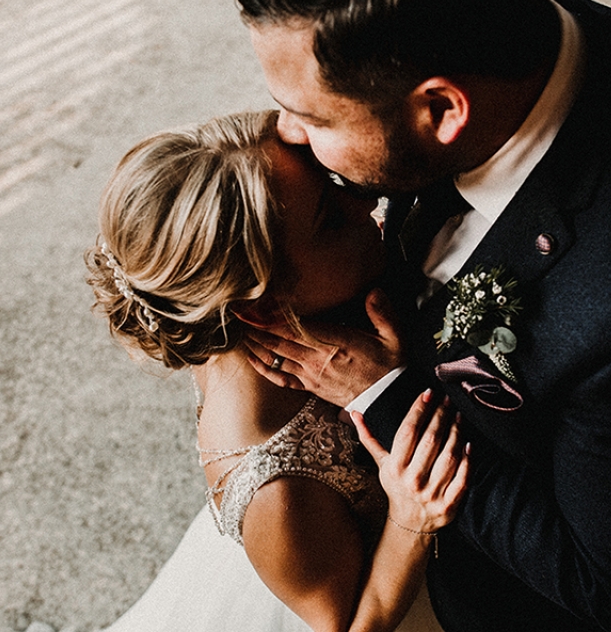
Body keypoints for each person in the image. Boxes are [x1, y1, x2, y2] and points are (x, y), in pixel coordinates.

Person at [236, 0, 611, 630]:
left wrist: (388, 397)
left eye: (311, 117)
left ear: (440, 109)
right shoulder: (499, 38)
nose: (287, 133)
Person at [85, 110, 469, 632]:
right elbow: (352, 625)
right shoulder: (274, 488)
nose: (367, 201)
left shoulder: (264, 317)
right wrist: (411, 519)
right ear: (263, 308)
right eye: (331, 219)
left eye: (332, 183)